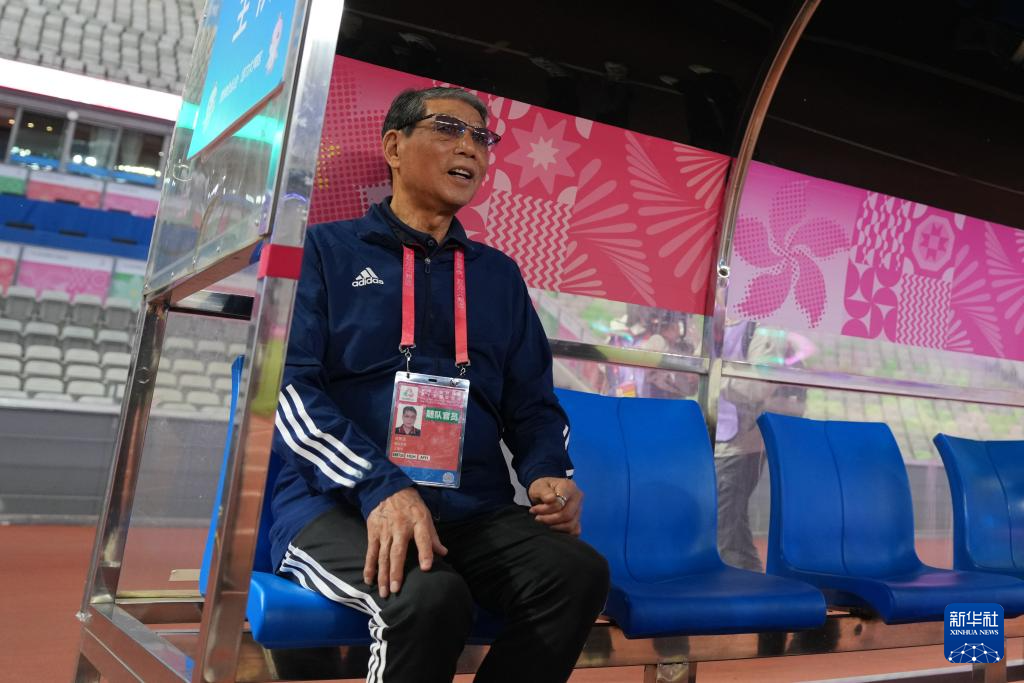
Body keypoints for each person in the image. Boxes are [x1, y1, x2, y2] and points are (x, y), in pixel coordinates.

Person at [269, 86, 609, 683]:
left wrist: (547, 471)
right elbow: (287, 390)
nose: (469, 148)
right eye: (448, 129)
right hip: (340, 504)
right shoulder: (324, 251)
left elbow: (532, 403)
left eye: (481, 137)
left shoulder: (498, 276)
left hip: (471, 509)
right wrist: (379, 486)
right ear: (394, 147)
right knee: (428, 598)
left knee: (576, 574)